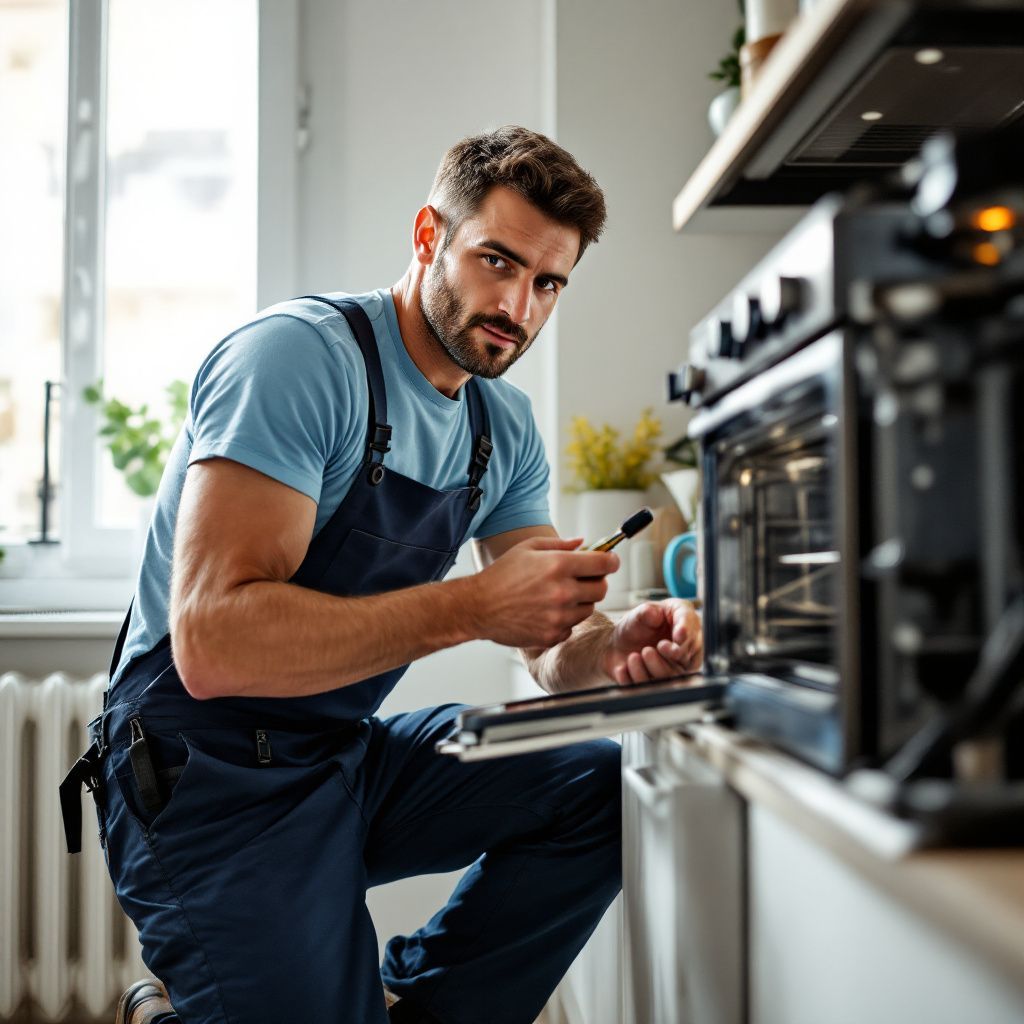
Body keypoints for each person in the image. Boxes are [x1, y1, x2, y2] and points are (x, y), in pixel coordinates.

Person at [70, 125, 703, 1024]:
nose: (517, 306)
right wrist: (473, 606)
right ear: (427, 237)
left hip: (338, 759)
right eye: (496, 260)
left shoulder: (500, 425)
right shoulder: (296, 361)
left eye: (547, 282)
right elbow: (212, 644)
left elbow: (548, 645)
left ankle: (409, 1000)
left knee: (597, 785)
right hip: (200, 780)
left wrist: (613, 650)